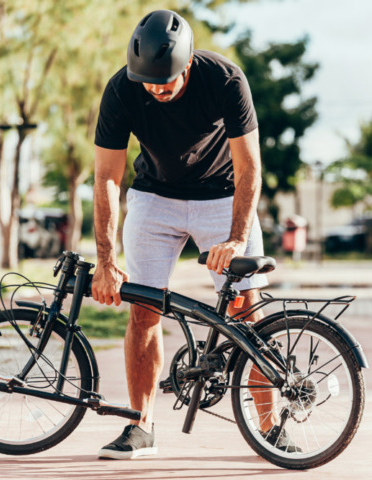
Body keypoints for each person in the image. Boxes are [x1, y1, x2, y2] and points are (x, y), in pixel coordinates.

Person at [91, 9, 286, 460]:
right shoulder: (123, 89)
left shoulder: (225, 80)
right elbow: (106, 177)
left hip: (221, 196)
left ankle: (270, 427)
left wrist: (237, 238)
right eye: (149, 82)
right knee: (142, 309)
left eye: (167, 81)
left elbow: (250, 168)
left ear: (189, 63)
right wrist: (105, 260)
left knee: (246, 312)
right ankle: (141, 426)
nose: (157, 90)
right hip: (155, 196)